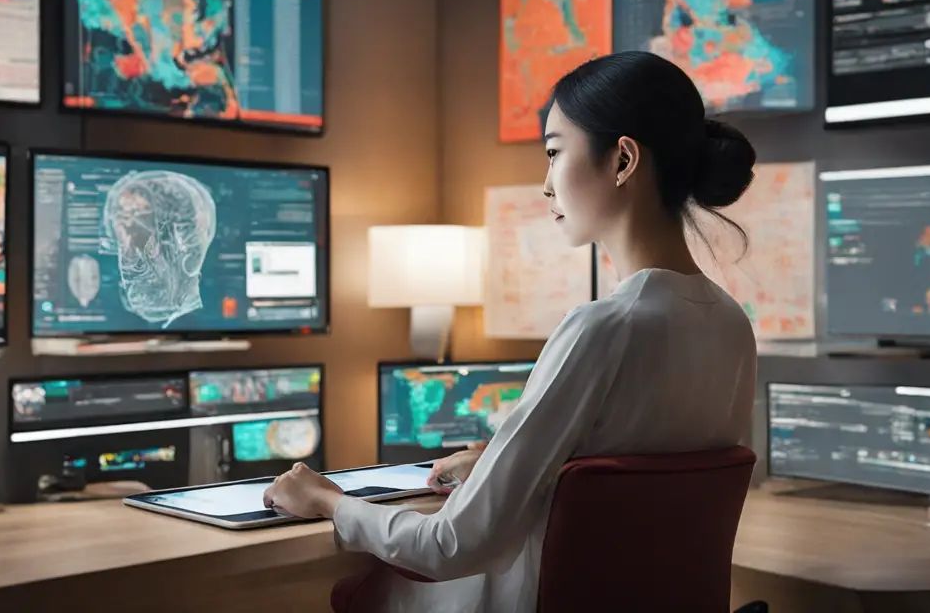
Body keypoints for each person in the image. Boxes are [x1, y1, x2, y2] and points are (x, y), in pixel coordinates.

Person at [263, 51, 759, 612]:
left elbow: (450, 546)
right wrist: (521, 466)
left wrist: (328, 501)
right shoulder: (731, 326)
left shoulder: (602, 328)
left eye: (553, 153)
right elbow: (634, 494)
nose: (546, 185)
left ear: (622, 160)